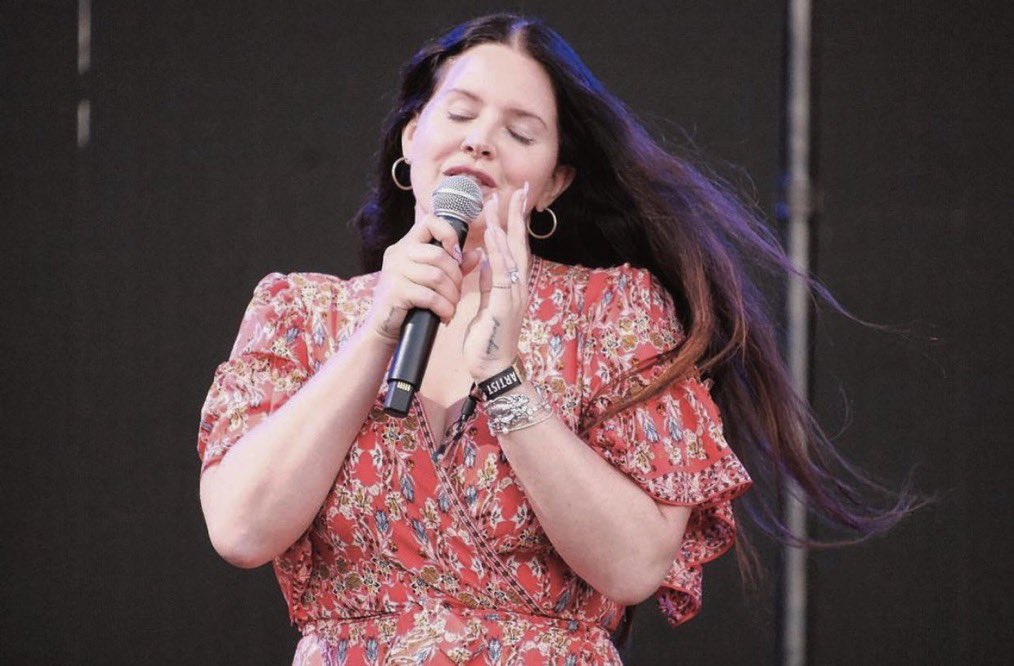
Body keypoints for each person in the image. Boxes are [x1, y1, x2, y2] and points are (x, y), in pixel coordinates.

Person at [196, 14, 915, 665]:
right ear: (412, 137)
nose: (481, 138)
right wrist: (380, 328)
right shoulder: (299, 312)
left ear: (550, 182)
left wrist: (504, 379)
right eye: (462, 112)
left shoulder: (613, 315)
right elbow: (240, 528)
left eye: (520, 131)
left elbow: (634, 566)